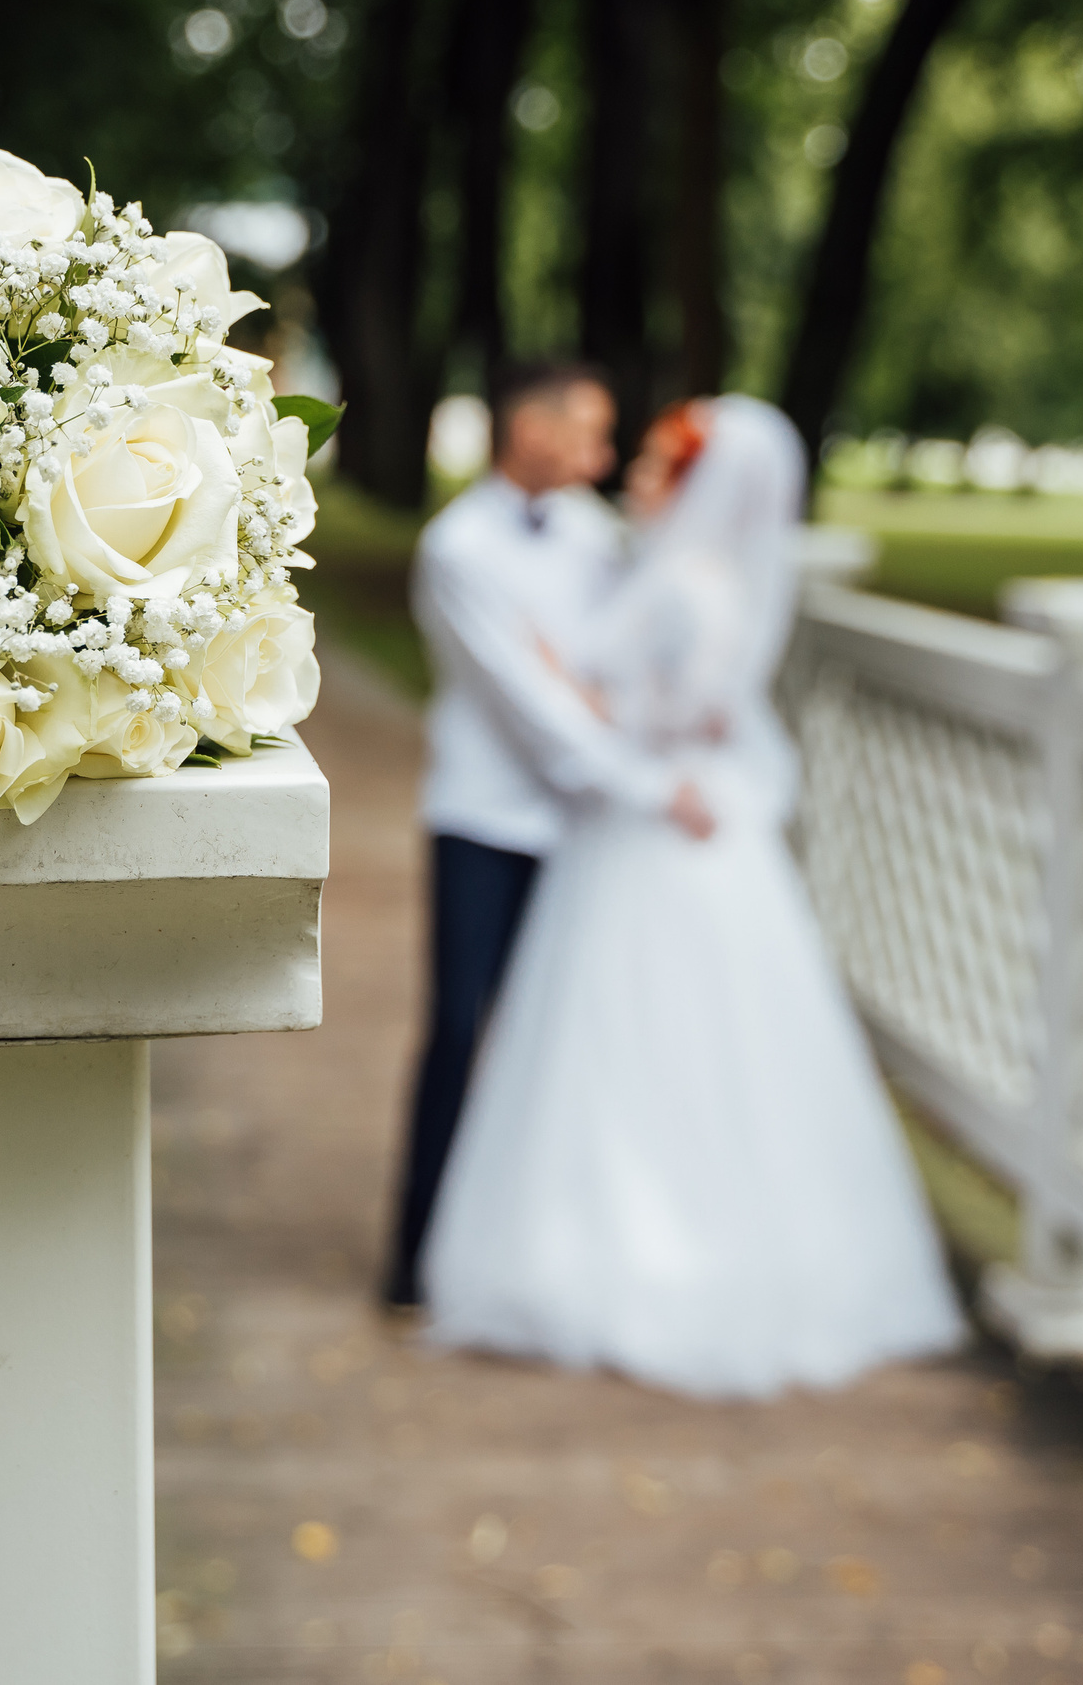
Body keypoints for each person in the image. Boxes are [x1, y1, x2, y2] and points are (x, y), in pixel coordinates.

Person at [419, 396, 966, 1399]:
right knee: (698, 1040)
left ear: (690, 483)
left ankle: (643, 1248)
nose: (630, 471)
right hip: (672, 821)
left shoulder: (678, 583)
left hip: (653, 822)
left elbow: (649, 708)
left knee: (633, 1035)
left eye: (653, 461)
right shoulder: (688, 573)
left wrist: (574, 686)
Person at [383, 361, 709, 1310]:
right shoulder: (459, 548)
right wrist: (640, 775)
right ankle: (415, 1254)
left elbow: (625, 658)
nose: (604, 456)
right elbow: (532, 708)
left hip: (584, 828)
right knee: (456, 1027)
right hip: (484, 819)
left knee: (560, 1038)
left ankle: (539, 1247)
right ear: (531, 428)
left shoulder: (593, 534)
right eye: (591, 433)